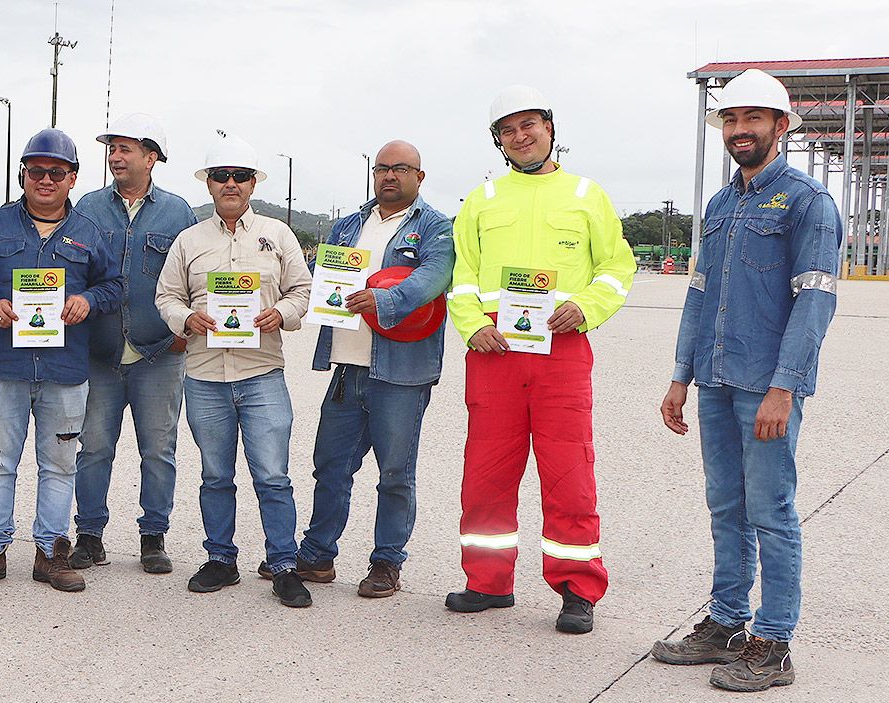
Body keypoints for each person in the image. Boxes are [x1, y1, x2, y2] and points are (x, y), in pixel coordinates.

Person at [653, 69, 842, 692]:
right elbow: (699, 294)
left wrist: (785, 388)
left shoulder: (808, 202)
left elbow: (814, 301)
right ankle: (727, 621)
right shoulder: (720, 205)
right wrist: (681, 375)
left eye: (752, 119)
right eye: (731, 120)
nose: (740, 130)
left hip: (766, 386)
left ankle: (774, 638)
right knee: (726, 507)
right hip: (715, 381)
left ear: (780, 127)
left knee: (772, 509)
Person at [446, 85, 635, 634]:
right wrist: (474, 326)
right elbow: (462, 277)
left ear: (551, 128)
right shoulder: (481, 199)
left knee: (569, 472)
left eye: (530, 123)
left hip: (562, 354)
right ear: (497, 141)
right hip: (494, 355)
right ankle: (487, 582)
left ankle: (577, 588)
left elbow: (616, 268)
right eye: (508, 129)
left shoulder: (585, 194)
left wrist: (587, 306)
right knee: (485, 473)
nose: (520, 135)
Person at [0, 129, 121, 593]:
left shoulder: (89, 233)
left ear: (72, 178)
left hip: (64, 370)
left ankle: (51, 552)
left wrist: (89, 299)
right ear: (23, 173)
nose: (45, 180)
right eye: (37, 170)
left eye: (57, 172)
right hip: (3, 366)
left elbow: (115, 286)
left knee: (60, 464)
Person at [154, 136, 314, 605]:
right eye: (220, 176)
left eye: (240, 176)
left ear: (252, 184)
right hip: (204, 375)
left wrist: (280, 313)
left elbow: (302, 290)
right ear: (208, 184)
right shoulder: (189, 240)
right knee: (215, 475)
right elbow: (167, 296)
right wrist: (185, 319)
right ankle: (221, 559)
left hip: (262, 372)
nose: (230, 184)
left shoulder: (278, 234)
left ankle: (284, 564)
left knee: (272, 476)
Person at [299, 140, 455, 599]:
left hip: (402, 374)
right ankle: (318, 554)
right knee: (329, 467)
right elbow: (325, 278)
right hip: (347, 366)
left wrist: (385, 300)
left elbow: (435, 276)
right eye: (382, 169)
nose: (389, 176)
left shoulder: (435, 228)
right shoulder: (348, 225)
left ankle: (387, 562)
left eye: (400, 169)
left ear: (419, 177)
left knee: (395, 473)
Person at [68, 113, 197, 574]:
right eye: (112, 148)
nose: (115, 156)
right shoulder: (85, 207)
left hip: (158, 352)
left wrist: (183, 330)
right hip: (99, 353)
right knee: (95, 446)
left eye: (126, 149)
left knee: (158, 450)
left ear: (152, 157)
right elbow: (73, 272)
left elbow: (192, 276)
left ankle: (153, 537)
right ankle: (89, 535)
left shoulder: (178, 212)